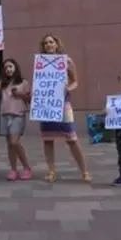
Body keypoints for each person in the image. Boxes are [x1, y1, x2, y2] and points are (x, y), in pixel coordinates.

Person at [38, 34, 91, 183]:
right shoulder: (40, 63)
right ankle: (51, 171)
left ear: (56, 44)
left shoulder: (66, 61)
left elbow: (75, 82)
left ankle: (84, 170)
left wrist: (68, 88)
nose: (48, 45)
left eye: (51, 42)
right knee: (47, 139)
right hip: (45, 104)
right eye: (45, 43)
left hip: (62, 103)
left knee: (71, 137)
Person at [0, 58, 32, 181]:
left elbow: (30, 99)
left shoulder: (23, 82)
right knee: (10, 145)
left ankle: (26, 167)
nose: (8, 69)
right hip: (4, 115)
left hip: (18, 114)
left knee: (14, 142)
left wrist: (20, 94)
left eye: (10, 67)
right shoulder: (3, 83)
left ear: (15, 68)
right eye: (6, 67)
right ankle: (13, 169)